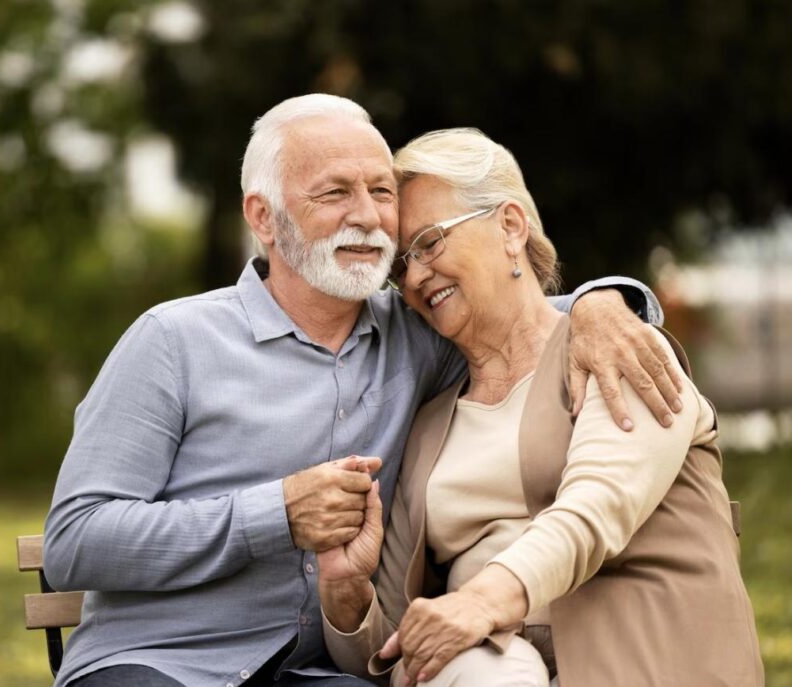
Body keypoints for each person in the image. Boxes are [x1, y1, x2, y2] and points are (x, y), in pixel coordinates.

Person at [43, 95, 681, 687]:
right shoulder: (172, 342)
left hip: (316, 674)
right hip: (159, 664)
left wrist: (609, 302)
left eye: (381, 191)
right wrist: (275, 515)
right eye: (335, 192)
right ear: (264, 216)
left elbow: (525, 316)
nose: (369, 216)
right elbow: (74, 542)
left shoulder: (420, 333)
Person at [318, 128, 764, 686]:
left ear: (510, 226)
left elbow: (595, 509)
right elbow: (393, 645)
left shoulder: (617, 350)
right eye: (401, 264)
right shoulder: (429, 426)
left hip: (642, 663)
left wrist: (478, 603)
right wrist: (345, 591)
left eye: (430, 243)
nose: (414, 276)